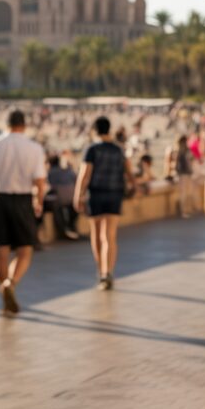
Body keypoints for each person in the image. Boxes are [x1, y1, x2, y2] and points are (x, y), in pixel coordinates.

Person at [0, 110, 47, 315]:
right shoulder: (34, 148)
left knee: (0, 251)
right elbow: (40, 180)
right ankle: (11, 282)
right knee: (25, 250)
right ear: (23, 125)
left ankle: (4, 295)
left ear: (6, 124)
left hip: (0, 199)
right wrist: (39, 201)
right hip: (23, 200)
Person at [75, 116, 133, 290]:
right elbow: (128, 171)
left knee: (97, 235)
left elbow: (85, 174)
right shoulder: (118, 149)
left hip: (97, 194)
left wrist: (78, 195)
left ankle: (101, 271)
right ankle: (109, 272)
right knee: (110, 236)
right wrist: (135, 185)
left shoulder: (92, 149)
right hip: (115, 194)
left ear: (95, 130)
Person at [46, 154, 80, 240]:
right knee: (68, 209)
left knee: (56, 208)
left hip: (60, 199)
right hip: (72, 198)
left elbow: (50, 186)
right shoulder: (68, 170)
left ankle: (62, 232)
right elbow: (76, 180)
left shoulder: (51, 172)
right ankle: (71, 228)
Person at [166, 134, 196, 216]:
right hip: (183, 174)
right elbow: (176, 164)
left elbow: (192, 159)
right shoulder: (179, 151)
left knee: (188, 192)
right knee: (184, 193)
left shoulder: (186, 150)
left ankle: (188, 209)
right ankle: (184, 210)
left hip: (187, 173)